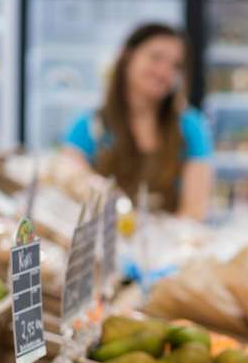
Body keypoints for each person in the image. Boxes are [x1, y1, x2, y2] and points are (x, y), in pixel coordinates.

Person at [62, 23, 213, 220]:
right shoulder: (89, 126)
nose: (164, 71)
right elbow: (68, 187)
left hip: (170, 247)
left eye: (176, 65)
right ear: (128, 55)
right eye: (156, 57)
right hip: (105, 246)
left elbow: (194, 211)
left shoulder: (191, 127)